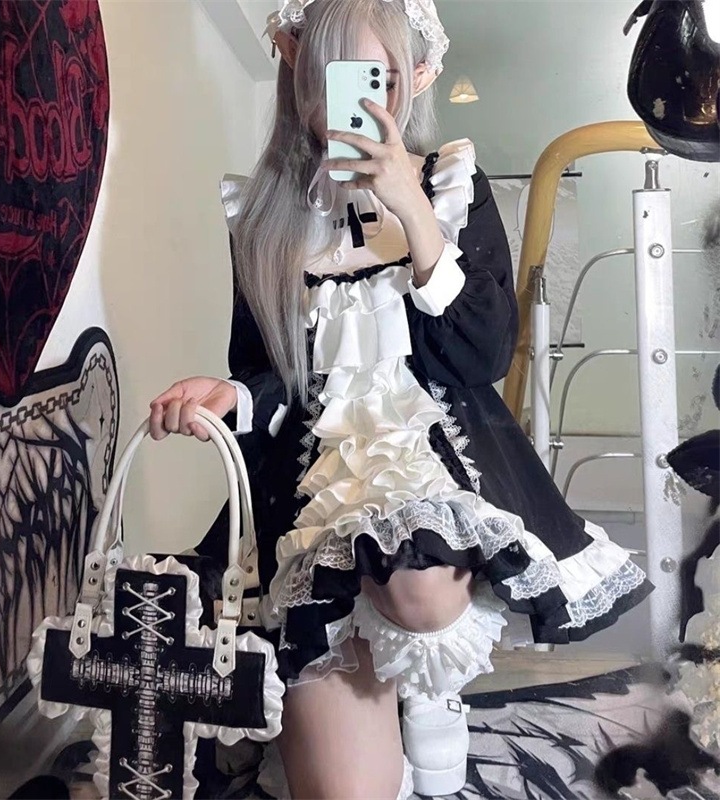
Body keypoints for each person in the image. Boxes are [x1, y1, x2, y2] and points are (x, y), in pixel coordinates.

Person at [149, 1, 654, 797]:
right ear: (297, 68)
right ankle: (357, 690)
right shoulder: (264, 216)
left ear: (419, 76)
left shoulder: (450, 184)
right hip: (311, 500)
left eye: (376, 76)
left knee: (418, 590)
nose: (352, 97)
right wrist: (231, 395)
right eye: (332, 72)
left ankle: (429, 685)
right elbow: (272, 373)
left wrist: (412, 207)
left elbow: (482, 355)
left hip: (433, 462)